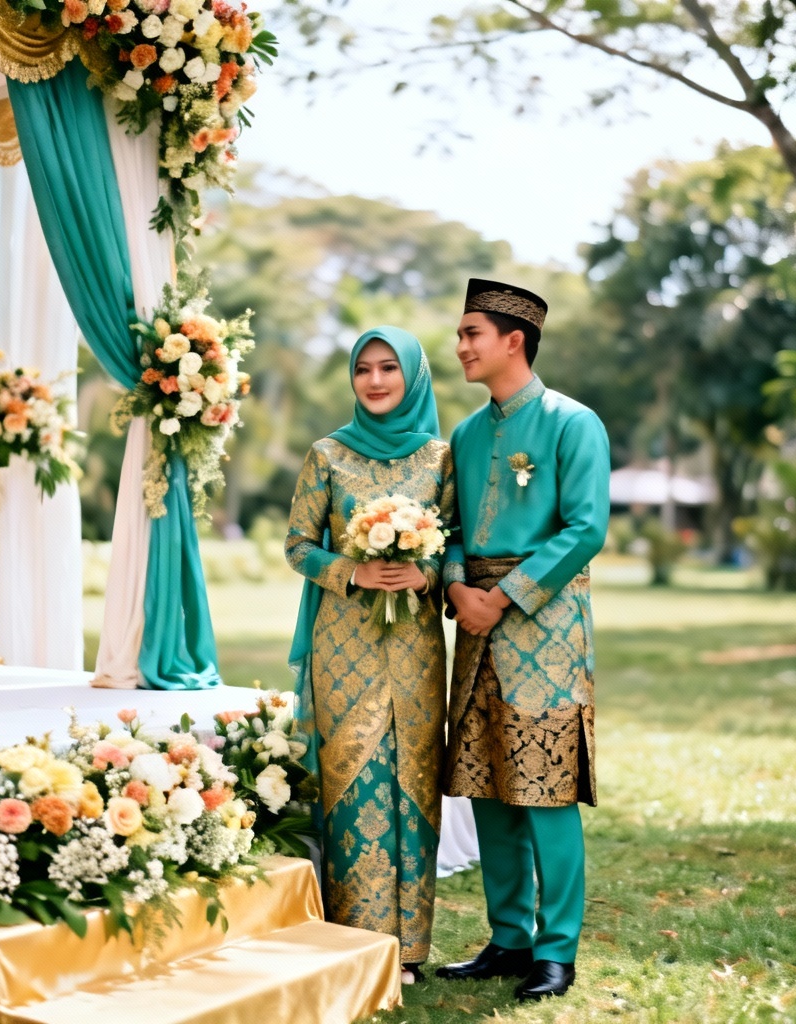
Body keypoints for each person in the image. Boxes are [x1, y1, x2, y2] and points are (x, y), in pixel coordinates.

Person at [435, 279, 610, 1001]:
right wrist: (454, 588)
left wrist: (503, 597)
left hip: (545, 630)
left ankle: (556, 949)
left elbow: (585, 528)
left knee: (545, 789)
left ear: (515, 339)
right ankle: (509, 940)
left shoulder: (575, 424)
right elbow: (445, 528)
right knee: (487, 787)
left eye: (472, 332)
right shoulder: (468, 436)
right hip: (474, 624)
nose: (461, 346)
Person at [285, 326, 455, 985]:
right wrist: (351, 572)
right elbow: (298, 544)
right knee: (351, 782)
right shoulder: (327, 454)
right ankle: (357, 941)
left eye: (389, 369)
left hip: (413, 642)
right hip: (343, 643)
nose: (376, 380)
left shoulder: (440, 458)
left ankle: (410, 947)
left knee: (413, 778)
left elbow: (456, 544)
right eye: (364, 369)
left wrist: (429, 572)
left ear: (412, 377)